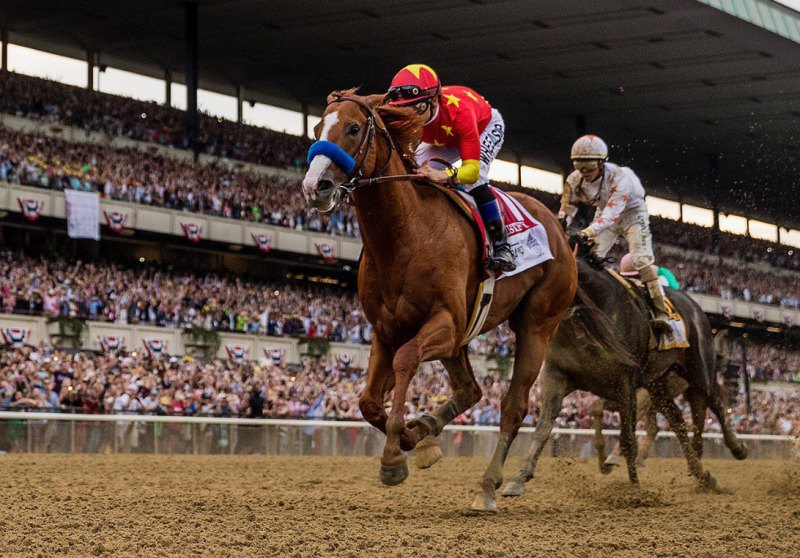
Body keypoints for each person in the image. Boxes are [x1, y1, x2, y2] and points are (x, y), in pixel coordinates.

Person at [386, 64, 515, 272]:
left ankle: (502, 245)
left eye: (415, 108)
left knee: (478, 179)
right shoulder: (413, 113)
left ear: (433, 101)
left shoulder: (460, 113)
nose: (408, 116)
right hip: (443, 137)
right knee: (414, 173)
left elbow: (471, 172)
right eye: (402, 108)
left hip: (483, 126)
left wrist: (442, 175)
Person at [559, 134, 670, 331]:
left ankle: (661, 312)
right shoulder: (574, 179)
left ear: (602, 163)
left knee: (640, 260)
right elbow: (568, 207)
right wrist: (561, 224)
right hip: (606, 213)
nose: (585, 175)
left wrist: (584, 234)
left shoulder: (620, 178)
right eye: (580, 168)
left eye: (590, 169)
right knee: (589, 258)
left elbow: (611, 215)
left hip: (632, 215)